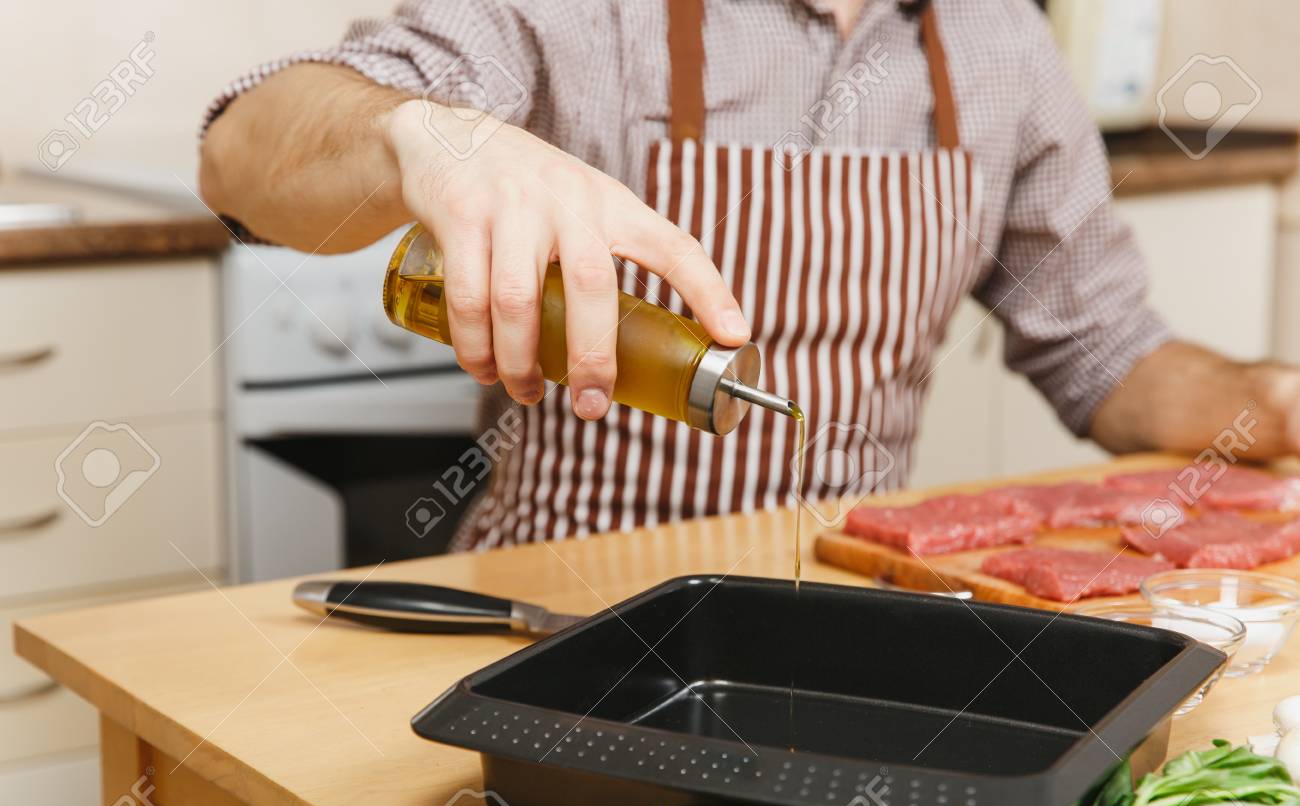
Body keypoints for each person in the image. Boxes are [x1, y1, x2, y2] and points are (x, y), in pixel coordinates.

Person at [200, 0, 1300, 550]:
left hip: (841, 599)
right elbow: (239, 159)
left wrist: (1257, 401)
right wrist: (425, 137)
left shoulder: (1002, 40)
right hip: (554, 597)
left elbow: (1103, 350)